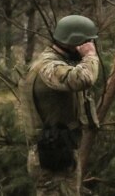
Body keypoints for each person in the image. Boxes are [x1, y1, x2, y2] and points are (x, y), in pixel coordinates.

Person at [18, 14, 101, 196]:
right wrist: (90, 55)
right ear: (74, 42)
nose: (90, 44)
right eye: (86, 41)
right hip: (53, 158)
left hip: (58, 153)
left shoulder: (55, 62)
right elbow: (82, 78)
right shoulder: (49, 67)